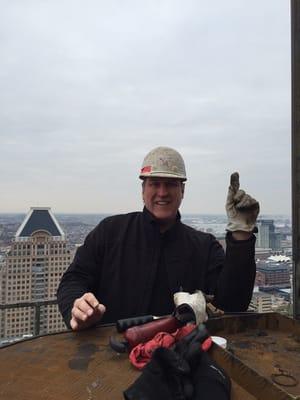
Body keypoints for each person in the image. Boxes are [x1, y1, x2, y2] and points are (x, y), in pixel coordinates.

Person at [57, 146, 259, 331]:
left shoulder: (204, 247)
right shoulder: (110, 232)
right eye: (155, 184)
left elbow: (232, 304)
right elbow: (74, 279)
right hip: (108, 355)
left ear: (182, 191)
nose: (162, 193)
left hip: (183, 360)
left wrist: (241, 235)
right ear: (143, 190)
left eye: (171, 184)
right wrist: (77, 308)